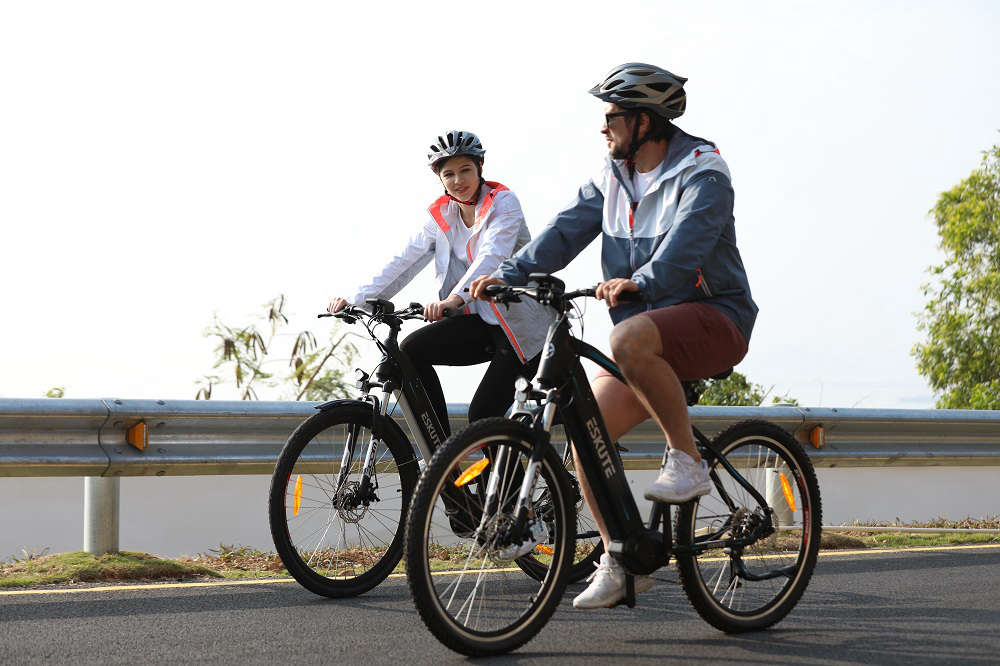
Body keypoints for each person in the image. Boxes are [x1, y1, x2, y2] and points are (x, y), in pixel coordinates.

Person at [470, 63, 758, 608]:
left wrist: (642, 281)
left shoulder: (703, 171)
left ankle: (687, 458)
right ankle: (622, 558)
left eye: (612, 118)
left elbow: (686, 248)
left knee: (626, 341)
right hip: (645, 330)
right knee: (587, 427)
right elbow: (562, 232)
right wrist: (509, 274)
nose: (604, 129)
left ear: (645, 121)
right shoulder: (611, 175)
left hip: (714, 318)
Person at [328, 130, 551, 443]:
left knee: (483, 415)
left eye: (465, 171)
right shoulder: (441, 214)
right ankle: (444, 454)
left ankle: (509, 492)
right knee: (411, 349)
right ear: (439, 177)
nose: (458, 180)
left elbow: (493, 257)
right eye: (449, 174)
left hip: (521, 329)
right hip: (481, 322)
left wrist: (452, 300)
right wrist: (358, 300)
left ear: (481, 167)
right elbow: (404, 261)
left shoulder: (503, 203)